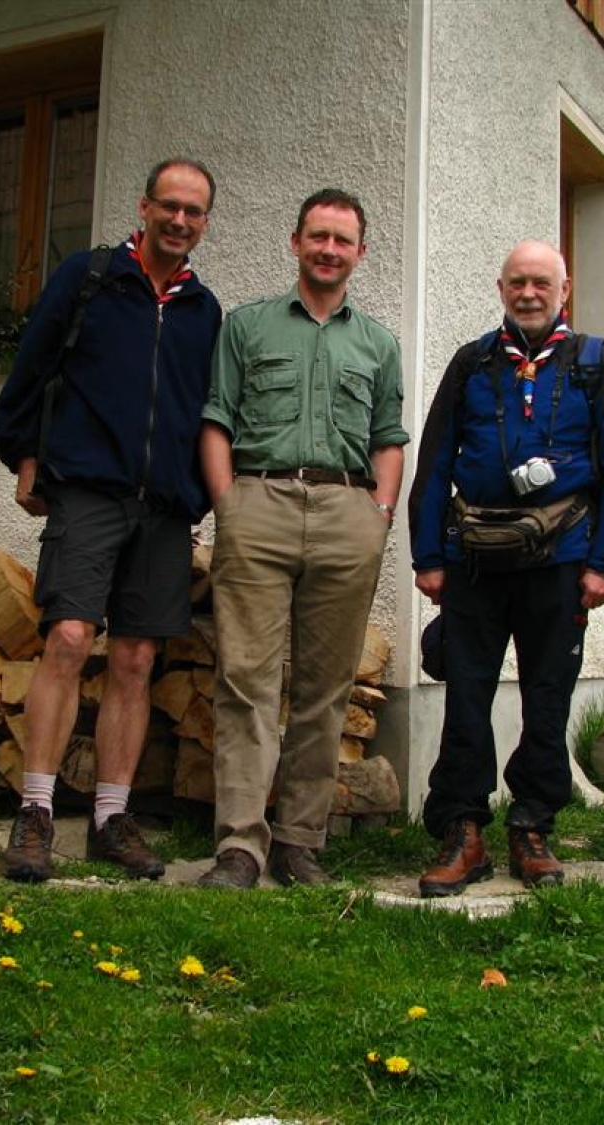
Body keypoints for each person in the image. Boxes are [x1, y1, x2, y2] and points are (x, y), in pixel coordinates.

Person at [0, 159, 222, 883]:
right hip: (88, 490)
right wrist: (25, 456)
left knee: (136, 660)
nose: (179, 220)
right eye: (169, 206)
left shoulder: (203, 311)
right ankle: (35, 811)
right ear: (144, 206)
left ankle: (110, 820)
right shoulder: (89, 278)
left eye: (194, 211)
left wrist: (198, 493)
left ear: (205, 223)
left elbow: (207, 410)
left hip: (163, 508)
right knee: (66, 637)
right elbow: (29, 373)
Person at [408, 240, 604, 898]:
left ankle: (532, 825)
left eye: (542, 282)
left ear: (563, 289)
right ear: (501, 287)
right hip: (474, 564)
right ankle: (463, 830)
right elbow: (432, 461)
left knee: (548, 698)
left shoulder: (595, 365)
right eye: (518, 282)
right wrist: (428, 555)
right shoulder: (472, 362)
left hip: (562, 563)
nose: (529, 292)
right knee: (465, 696)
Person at [197, 188, 408, 889]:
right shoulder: (248, 326)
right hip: (259, 501)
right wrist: (229, 504)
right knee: (245, 680)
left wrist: (378, 516)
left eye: (342, 240)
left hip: (348, 512)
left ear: (360, 253)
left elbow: (388, 438)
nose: (328, 250)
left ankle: (297, 842)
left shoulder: (378, 344)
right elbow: (217, 420)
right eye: (317, 236)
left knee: (325, 688)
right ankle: (238, 846)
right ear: (295, 242)